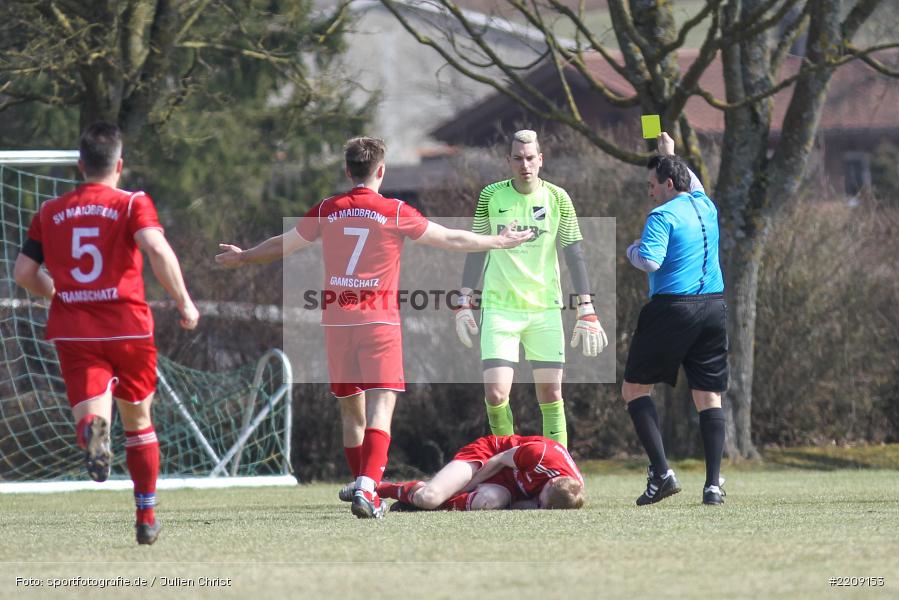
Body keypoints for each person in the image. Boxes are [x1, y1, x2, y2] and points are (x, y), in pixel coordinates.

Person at [216, 136, 532, 519]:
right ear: (380, 171)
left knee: (352, 412)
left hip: (337, 321)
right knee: (382, 406)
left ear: (348, 171)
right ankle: (367, 488)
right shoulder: (394, 210)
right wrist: (498, 241)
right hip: (378, 322)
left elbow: (286, 243)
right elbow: (449, 238)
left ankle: (362, 486)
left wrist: (244, 257)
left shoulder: (328, 209)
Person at [13, 121, 200, 545]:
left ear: (80, 165)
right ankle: (146, 516)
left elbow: (24, 272)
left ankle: (92, 436)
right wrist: (184, 302)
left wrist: (55, 291)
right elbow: (156, 248)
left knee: (96, 418)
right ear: (120, 164)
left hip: (75, 329)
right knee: (138, 421)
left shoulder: (50, 212)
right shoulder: (132, 203)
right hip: (128, 328)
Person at [454, 129, 607, 448]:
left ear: (541, 159)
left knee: (551, 394)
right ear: (508, 161)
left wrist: (586, 307)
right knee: (496, 394)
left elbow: (574, 253)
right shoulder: (491, 196)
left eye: (530, 158)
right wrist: (464, 299)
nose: (525, 165)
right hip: (499, 308)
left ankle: (561, 471)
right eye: (518, 159)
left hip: (544, 310)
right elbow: (478, 248)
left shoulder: (557, 197)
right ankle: (508, 465)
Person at [622, 132, 727, 506]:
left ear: (668, 184)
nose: (649, 192)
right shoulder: (706, 205)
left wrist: (631, 249)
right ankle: (713, 485)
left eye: (652, 185)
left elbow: (650, 260)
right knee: (708, 396)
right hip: (713, 307)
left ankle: (662, 474)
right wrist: (670, 155)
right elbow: (691, 183)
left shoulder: (662, 214)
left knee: (634, 389)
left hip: (672, 307)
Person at [364, 434, 585, 511]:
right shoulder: (541, 455)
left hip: (508, 485)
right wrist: (463, 488)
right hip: (489, 455)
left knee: (489, 502)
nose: (537, 503)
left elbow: (527, 504)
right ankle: (376, 488)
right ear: (551, 481)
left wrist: (537, 506)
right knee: (430, 497)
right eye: (541, 500)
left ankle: (413, 504)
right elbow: (499, 460)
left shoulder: (567, 493)